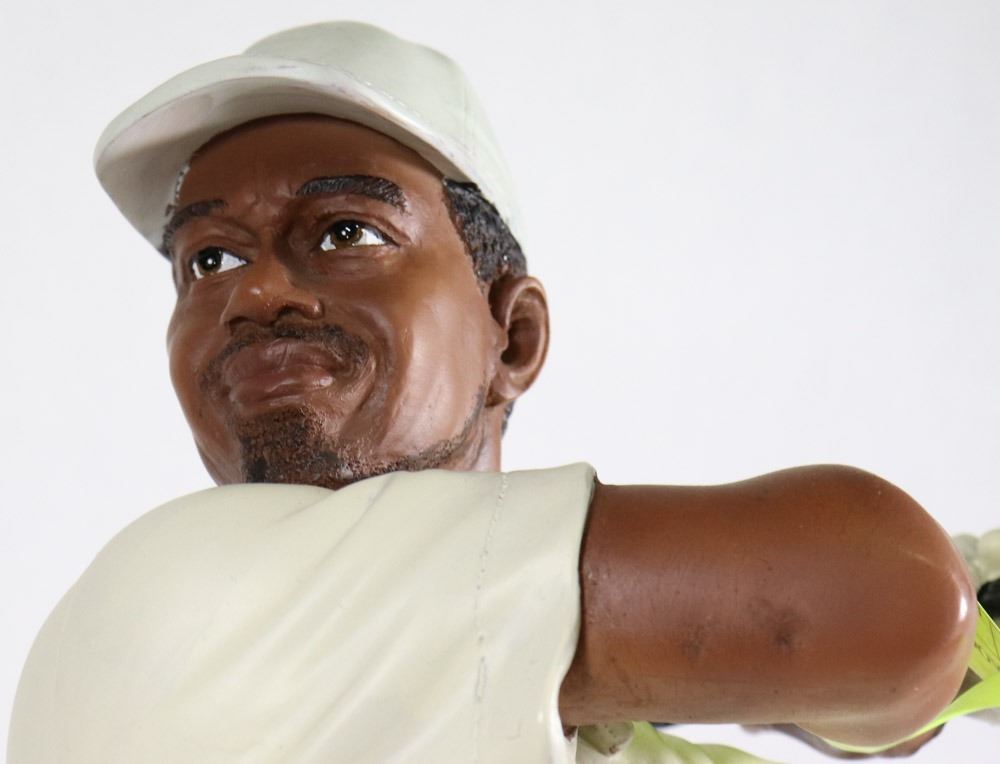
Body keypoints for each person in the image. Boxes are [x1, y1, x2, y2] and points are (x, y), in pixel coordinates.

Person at [7, 22, 981, 764]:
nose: (252, 294)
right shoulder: (177, 592)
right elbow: (884, 600)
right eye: (207, 259)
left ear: (511, 334)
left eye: (345, 232)